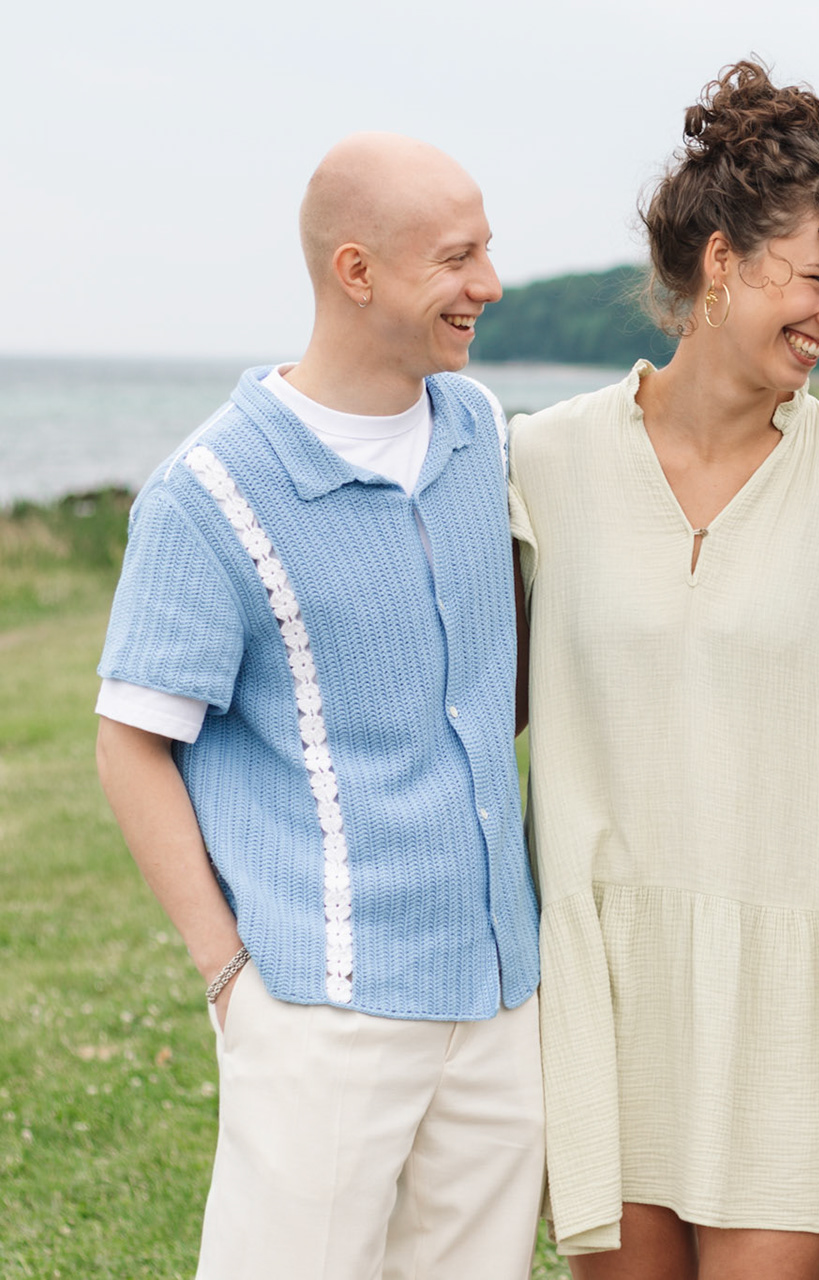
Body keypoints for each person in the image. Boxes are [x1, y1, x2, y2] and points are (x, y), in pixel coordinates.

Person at [508, 61, 819, 1279]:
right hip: (603, 978)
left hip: (782, 982)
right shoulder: (540, 462)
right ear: (721, 261)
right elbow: (478, 703)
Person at [92, 133, 543, 1278]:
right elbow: (132, 743)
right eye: (458, 257)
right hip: (321, 1010)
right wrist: (229, 975)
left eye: (486, 250)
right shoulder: (209, 494)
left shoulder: (479, 430)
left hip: (501, 997)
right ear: (357, 270)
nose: (489, 283)